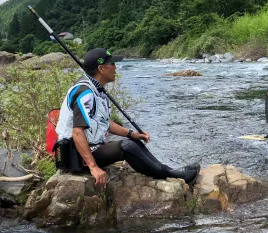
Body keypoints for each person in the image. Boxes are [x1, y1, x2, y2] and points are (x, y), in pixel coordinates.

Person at [54, 48, 200, 186]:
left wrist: (131, 134)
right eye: (112, 64)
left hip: (90, 148)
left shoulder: (96, 90)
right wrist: (93, 167)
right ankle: (171, 174)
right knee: (126, 147)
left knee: (133, 142)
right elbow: (77, 131)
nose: (115, 68)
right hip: (75, 155)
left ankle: (168, 170)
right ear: (101, 68)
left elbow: (105, 122)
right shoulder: (85, 93)